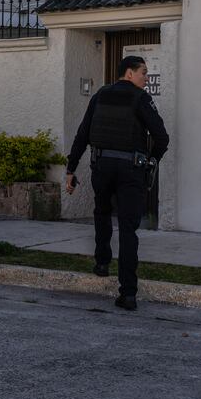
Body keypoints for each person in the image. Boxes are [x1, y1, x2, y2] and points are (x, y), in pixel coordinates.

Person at [65, 55, 169, 311]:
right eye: (143, 73)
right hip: (131, 169)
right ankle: (128, 293)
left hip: (101, 166)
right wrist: (152, 160)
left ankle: (102, 264)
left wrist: (70, 168)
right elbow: (162, 137)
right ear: (130, 73)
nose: (146, 78)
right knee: (127, 228)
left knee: (101, 213)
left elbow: (82, 134)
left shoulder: (100, 95)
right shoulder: (140, 98)